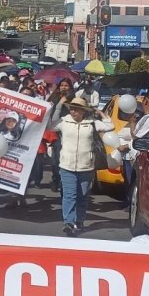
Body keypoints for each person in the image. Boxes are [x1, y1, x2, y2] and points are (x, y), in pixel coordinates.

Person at [55, 96, 114, 236]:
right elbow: (49, 125)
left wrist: (101, 114)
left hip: (86, 166)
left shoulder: (92, 123)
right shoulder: (64, 122)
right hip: (67, 166)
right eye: (72, 108)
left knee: (82, 196)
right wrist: (59, 105)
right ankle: (68, 222)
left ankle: (79, 221)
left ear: (83, 111)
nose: (73, 111)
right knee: (69, 195)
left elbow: (110, 126)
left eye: (77, 109)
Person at [118, 91, 149, 202]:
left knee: (134, 184)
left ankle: (133, 205)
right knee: (129, 182)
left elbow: (136, 137)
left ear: (146, 101)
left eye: (143, 100)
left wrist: (132, 122)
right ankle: (129, 202)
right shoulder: (148, 117)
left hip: (140, 155)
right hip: (134, 154)